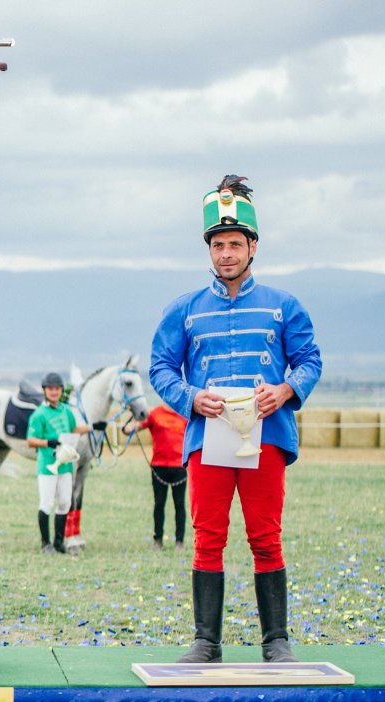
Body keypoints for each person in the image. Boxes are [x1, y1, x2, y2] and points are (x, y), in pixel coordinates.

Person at [149, 175, 322, 664]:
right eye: (218, 245)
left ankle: (276, 641)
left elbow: (310, 360)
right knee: (208, 537)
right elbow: (160, 367)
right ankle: (206, 641)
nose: (226, 253)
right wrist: (190, 397)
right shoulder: (183, 311)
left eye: (235, 244)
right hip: (208, 439)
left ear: (253, 248)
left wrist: (287, 389)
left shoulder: (284, 307)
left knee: (265, 536)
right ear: (209, 250)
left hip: (266, 438)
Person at [26, 373, 91, 554]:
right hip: (48, 466)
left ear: (61, 390)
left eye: (57, 389)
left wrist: (93, 427)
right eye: (51, 389)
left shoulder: (66, 411)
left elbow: (73, 430)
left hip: (66, 465)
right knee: (46, 503)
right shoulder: (39, 414)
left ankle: (59, 542)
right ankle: (45, 543)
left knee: (64, 503)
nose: (54, 392)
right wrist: (48, 442)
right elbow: (31, 440)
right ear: (45, 391)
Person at [123, 404, 188, 549]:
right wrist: (128, 428)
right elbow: (135, 427)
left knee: (179, 504)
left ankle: (180, 541)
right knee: (159, 503)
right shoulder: (154, 413)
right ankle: (158, 540)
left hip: (179, 467)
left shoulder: (184, 413)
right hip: (159, 466)